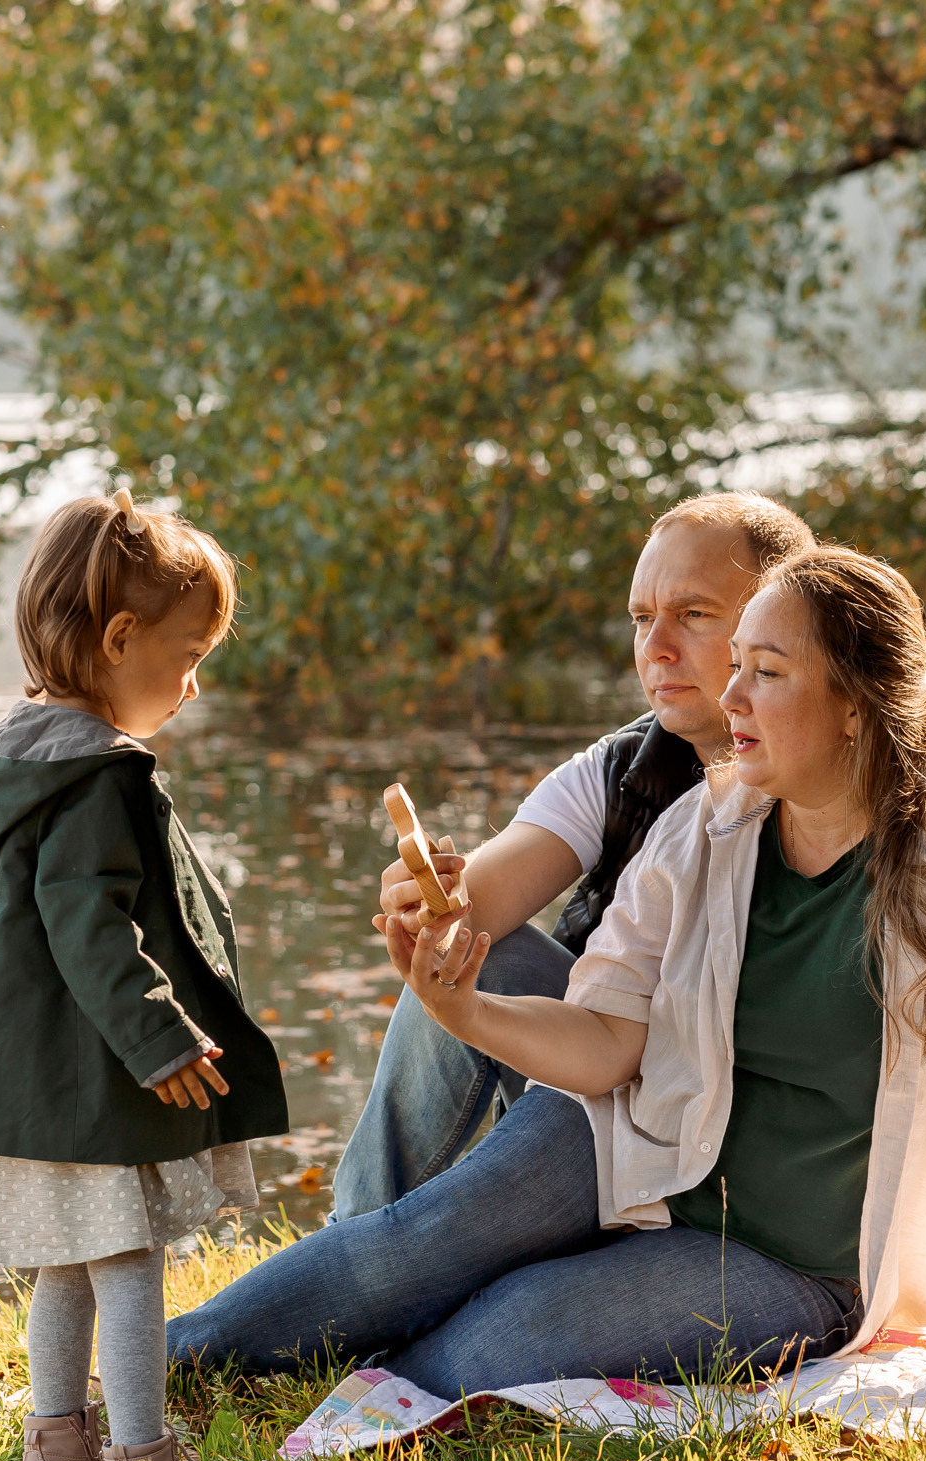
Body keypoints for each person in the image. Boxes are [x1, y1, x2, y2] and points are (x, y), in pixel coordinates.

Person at [172, 545, 926, 1395]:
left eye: (766, 674)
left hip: (787, 1265)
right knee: (419, 1245)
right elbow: (610, 1038)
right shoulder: (705, 827)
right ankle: (148, 1368)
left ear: (856, 704)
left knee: (498, 1344)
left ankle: (332, 1366)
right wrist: (465, 1012)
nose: (732, 698)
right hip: (642, 1148)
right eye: (736, 667)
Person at [0, 488, 286, 1461]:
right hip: (88, 1071)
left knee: (65, 1262)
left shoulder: (15, 758)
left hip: (28, 1073)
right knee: (127, 1264)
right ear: (120, 638)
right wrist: (160, 1039)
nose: (194, 682)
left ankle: (56, 1451)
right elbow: (90, 926)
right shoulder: (96, 778)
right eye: (189, 652)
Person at [333, 492, 819, 1217]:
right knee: (477, 952)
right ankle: (356, 1232)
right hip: (594, 1063)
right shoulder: (620, 770)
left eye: (692, 615)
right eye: (641, 618)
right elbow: (470, 918)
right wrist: (428, 899)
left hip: (735, 1129)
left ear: (778, 621)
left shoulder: (834, 789)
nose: (655, 649)